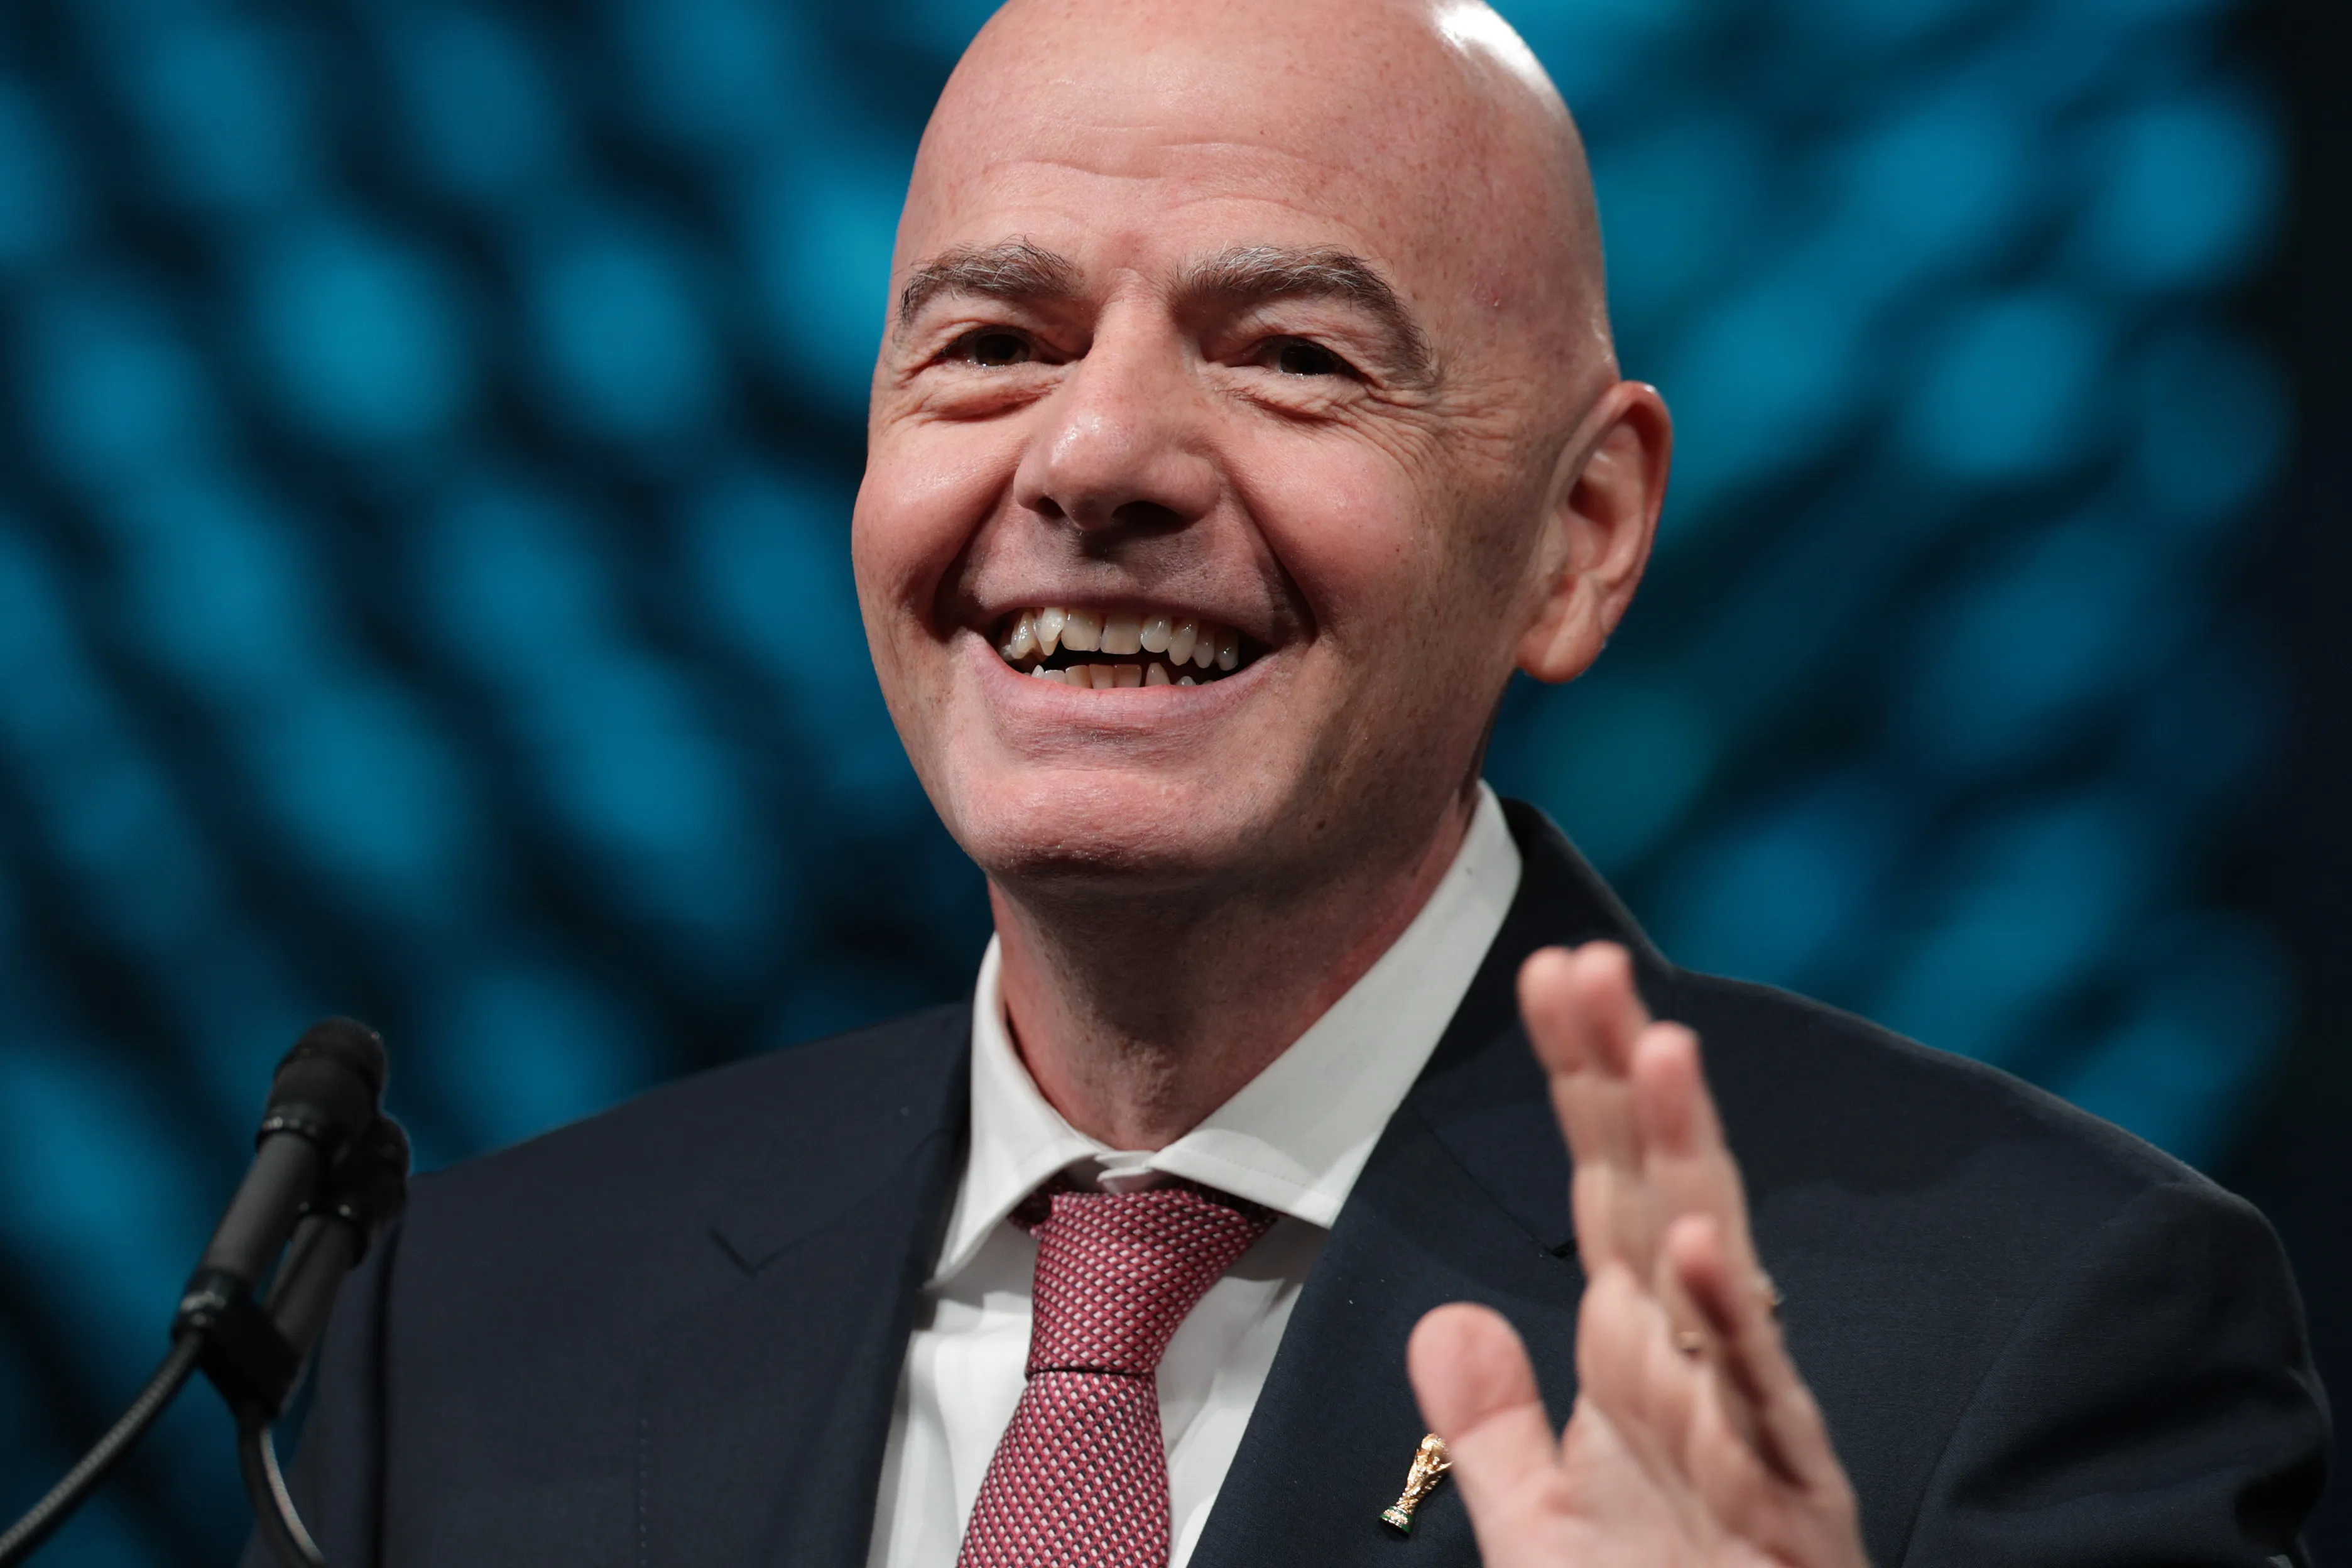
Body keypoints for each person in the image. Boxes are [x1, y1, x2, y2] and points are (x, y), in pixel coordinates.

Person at [256, 0, 2329, 1564]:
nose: (1093, 458)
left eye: (1292, 356)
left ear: (1583, 533)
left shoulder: (2030, 1330)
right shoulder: (466, 1333)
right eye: (993, 343)